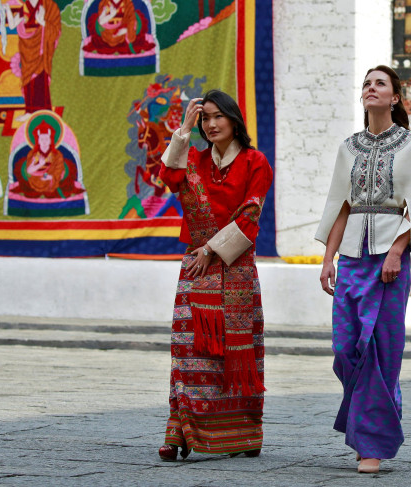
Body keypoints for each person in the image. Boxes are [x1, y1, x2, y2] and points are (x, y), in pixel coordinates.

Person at [316, 65, 411, 474]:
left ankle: (371, 443)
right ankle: (369, 423)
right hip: (351, 256)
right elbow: (340, 205)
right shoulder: (348, 147)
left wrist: (395, 251)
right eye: (366, 83)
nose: (371, 88)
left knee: (381, 349)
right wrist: (327, 259)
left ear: (395, 98)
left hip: (389, 261)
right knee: (345, 348)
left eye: (379, 83)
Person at [157, 90, 273, 461]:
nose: (210, 124)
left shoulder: (256, 162)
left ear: (234, 120)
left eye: (216, 116)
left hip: (234, 269)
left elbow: (251, 216)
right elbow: (168, 177)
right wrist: (184, 129)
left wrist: (211, 251)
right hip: (196, 272)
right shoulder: (195, 159)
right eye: (204, 118)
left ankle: (242, 433)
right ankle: (180, 431)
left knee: (233, 358)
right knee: (188, 353)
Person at [6, 0, 61, 119]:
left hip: (41, 50)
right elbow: (12, 25)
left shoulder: (49, 6)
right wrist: (7, 10)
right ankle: (29, 111)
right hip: (27, 50)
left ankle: (44, 110)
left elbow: (56, 30)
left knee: (40, 79)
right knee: (28, 80)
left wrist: (43, 22)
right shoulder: (25, 7)